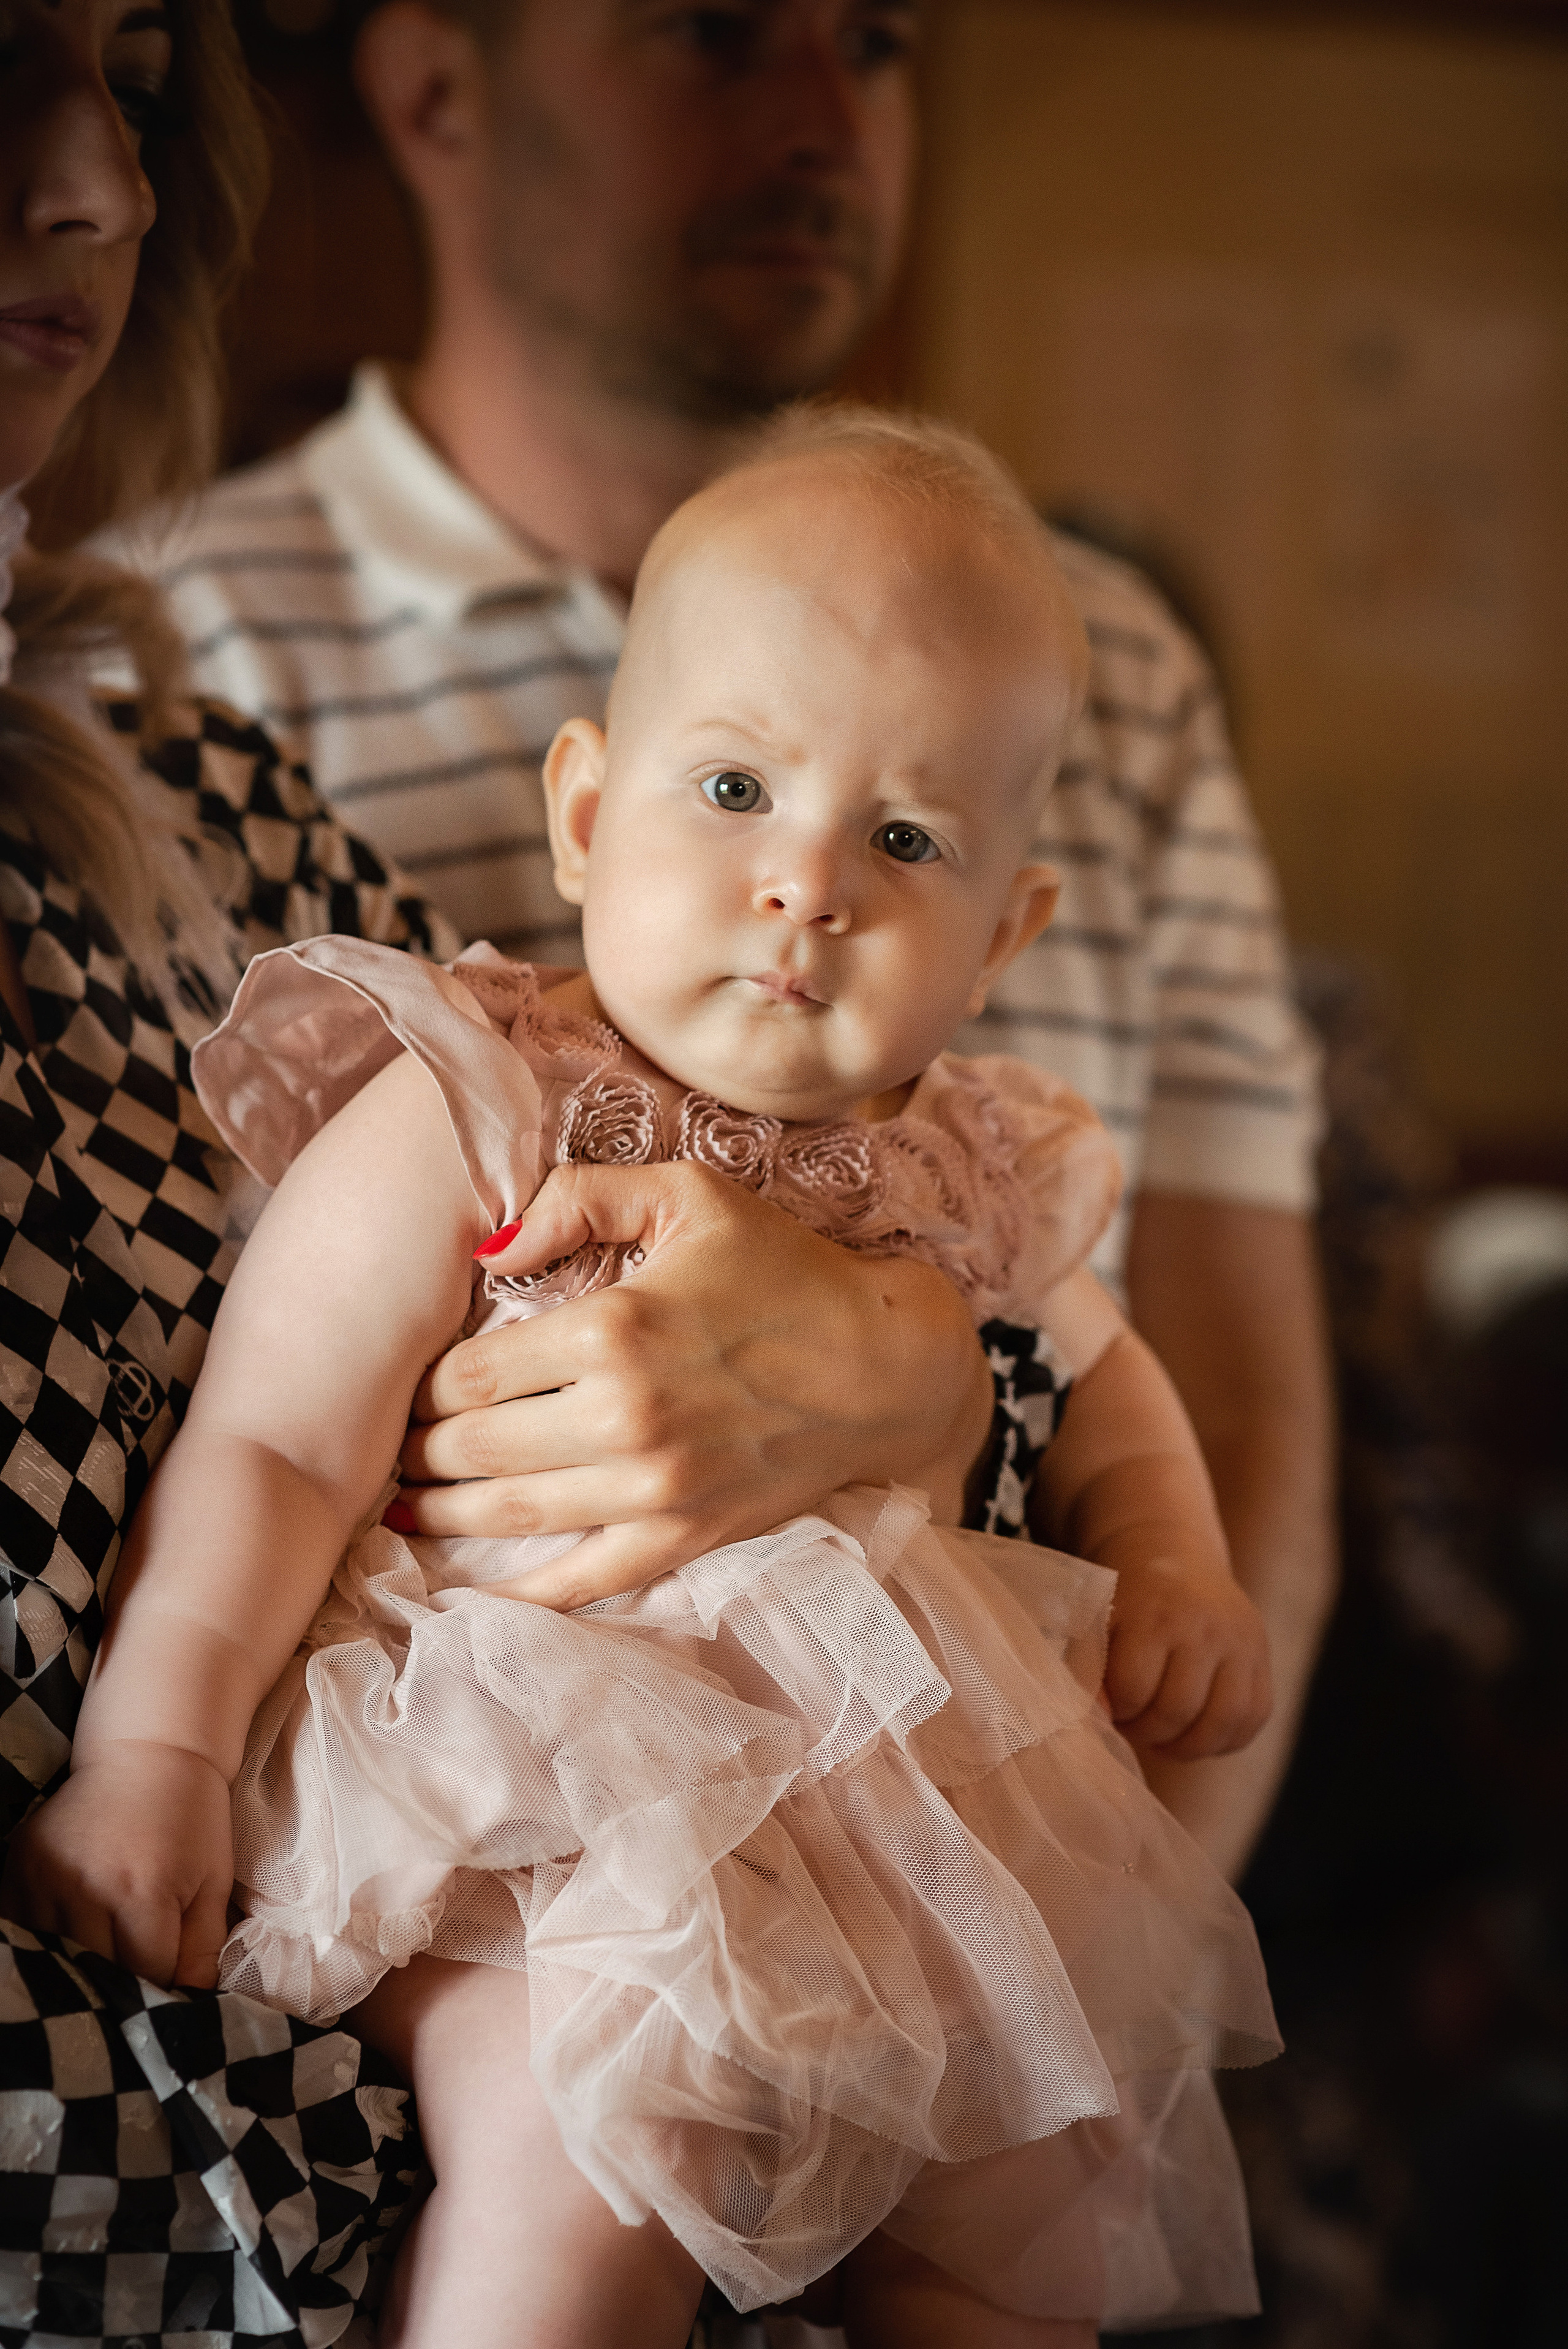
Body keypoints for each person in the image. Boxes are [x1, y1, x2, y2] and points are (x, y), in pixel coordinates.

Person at [10, 409, 1283, 2349]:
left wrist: (1176, 1556)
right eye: (735, 787)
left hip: (892, 1826)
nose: (809, 887)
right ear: (587, 815)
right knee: (596, 2134)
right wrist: (159, 1747)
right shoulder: (482, 1091)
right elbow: (271, 1436)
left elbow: (1104, 1376)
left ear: (1006, 930)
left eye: (907, 836)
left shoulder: (975, 1161)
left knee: (1039, 2177)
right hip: (530, 1796)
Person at [0, 5, 1013, 2335]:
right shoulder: (448, 1018)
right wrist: (586, 2127)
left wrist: (912, 1356)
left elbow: (973, 1414)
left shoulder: (215, 801)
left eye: (137, 79)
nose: (94, 184)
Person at [105, 0, 1337, 1882]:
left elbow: (1225, 1413)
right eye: (715, 28)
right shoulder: (149, 670)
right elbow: (222, 1418)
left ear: (1004, 921)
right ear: (437, 78)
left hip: (991, 1845)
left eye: (880, 38)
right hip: (502, 1849)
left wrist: (1092, 1974)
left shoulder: (1106, 674)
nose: (826, 110)